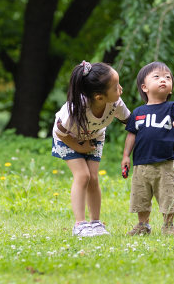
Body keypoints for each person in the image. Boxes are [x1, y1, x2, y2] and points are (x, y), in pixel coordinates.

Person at [52, 61, 131, 237]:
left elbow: (131, 123)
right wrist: (80, 148)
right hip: (68, 139)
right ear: (99, 98)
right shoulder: (75, 109)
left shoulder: (116, 103)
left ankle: (96, 223)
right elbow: (60, 132)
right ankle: (80, 225)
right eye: (116, 87)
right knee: (83, 175)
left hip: (94, 137)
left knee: (93, 178)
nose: (121, 89)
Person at [121, 62, 174, 236]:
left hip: (165, 162)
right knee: (140, 196)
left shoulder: (172, 108)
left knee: (168, 195)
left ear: (171, 89)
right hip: (141, 164)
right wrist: (126, 156)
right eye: (157, 77)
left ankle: (168, 225)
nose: (164, 80)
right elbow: (131, 134)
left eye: (168, 78)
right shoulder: (138, 112)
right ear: (144, 87)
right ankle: (142, 225)